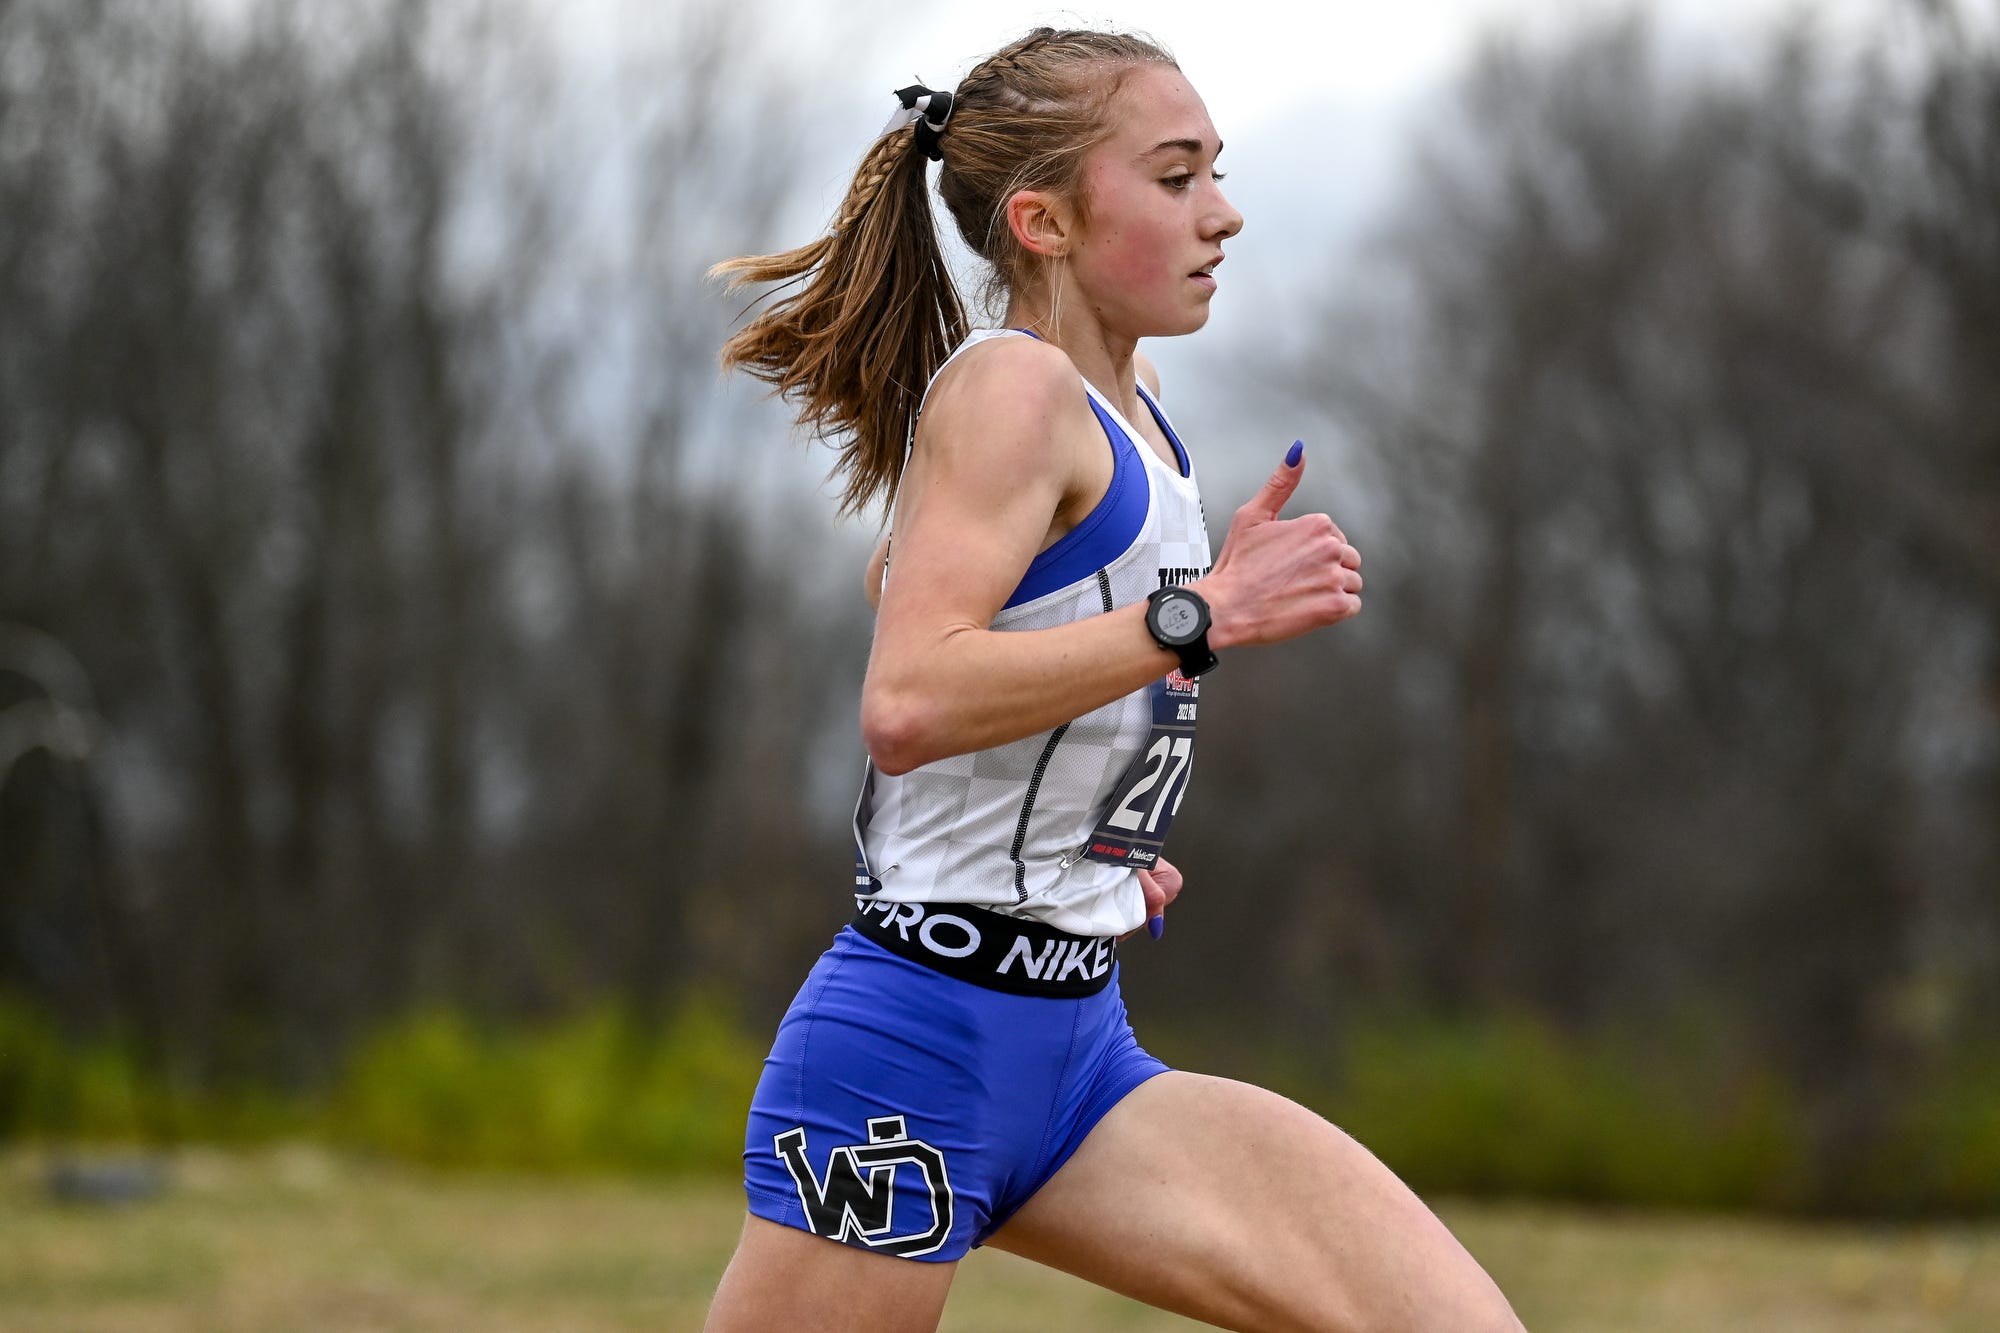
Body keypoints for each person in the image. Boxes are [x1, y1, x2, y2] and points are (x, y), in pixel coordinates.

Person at [704, 27, 1524, 1333]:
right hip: (913, 1054)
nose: (1226, 211)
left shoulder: (1133, 411)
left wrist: (1084, 835)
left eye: (1219, 173)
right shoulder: (1014, 390)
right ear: (1044, 221)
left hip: (1078, 1057)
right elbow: (908, 699)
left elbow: (961, 620)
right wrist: (1201, 614)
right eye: (1178, 176)